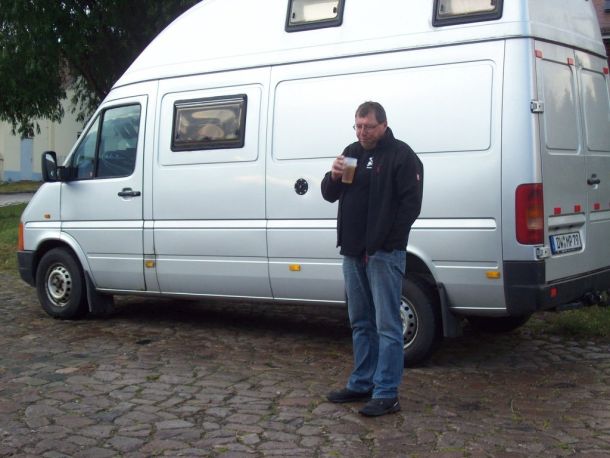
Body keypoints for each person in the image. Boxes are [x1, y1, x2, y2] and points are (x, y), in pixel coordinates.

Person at [321, 101, 423, 417]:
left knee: (387, 325)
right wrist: (333, 176)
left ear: (383, 125)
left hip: (383, 254)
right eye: (358, 126)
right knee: (360, 322)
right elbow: (330, 194)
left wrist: (386, 243)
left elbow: (410, 206)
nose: (362, 132)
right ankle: (362, 383)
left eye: (368, 127)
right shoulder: (352, 153)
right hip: (353, 252)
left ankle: (387, 392)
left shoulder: (401, 156)